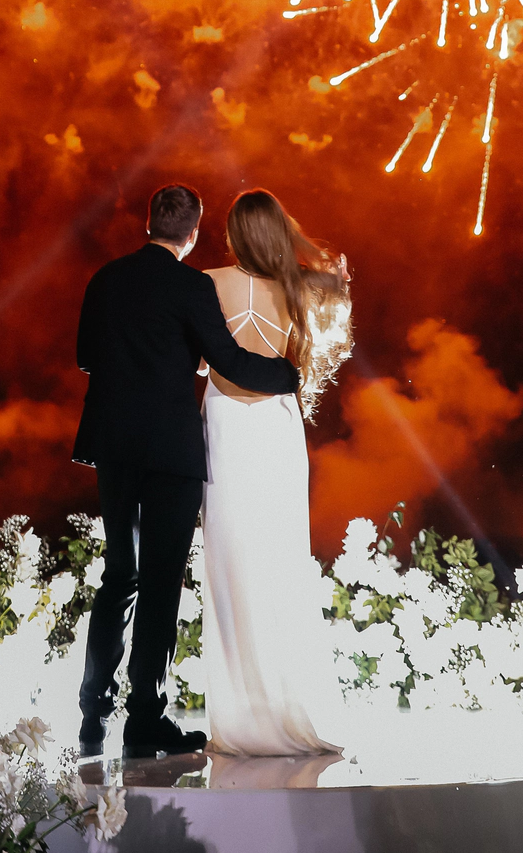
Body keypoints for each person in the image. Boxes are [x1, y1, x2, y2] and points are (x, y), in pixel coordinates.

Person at [73, 183, 300, 760]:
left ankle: (93, 711)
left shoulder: (105, 279)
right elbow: (228, 361)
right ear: (194, 234)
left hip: (114, 446)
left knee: (119, 574)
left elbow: (85, 357)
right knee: (160, 583)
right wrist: (291, 376)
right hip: (170, 452)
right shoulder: (193, 286)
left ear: (148, 222)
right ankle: (145, 721)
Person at [199, 188, 353, 757]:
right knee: (279, 558)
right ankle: (287, 702)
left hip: (225, 423)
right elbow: (330, 302)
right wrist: (327, 270)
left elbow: (200, 359)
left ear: (235, 235)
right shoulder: (300, 286)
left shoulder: (208, 283)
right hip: (275, 425)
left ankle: (240, 713)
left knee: (228, 560)